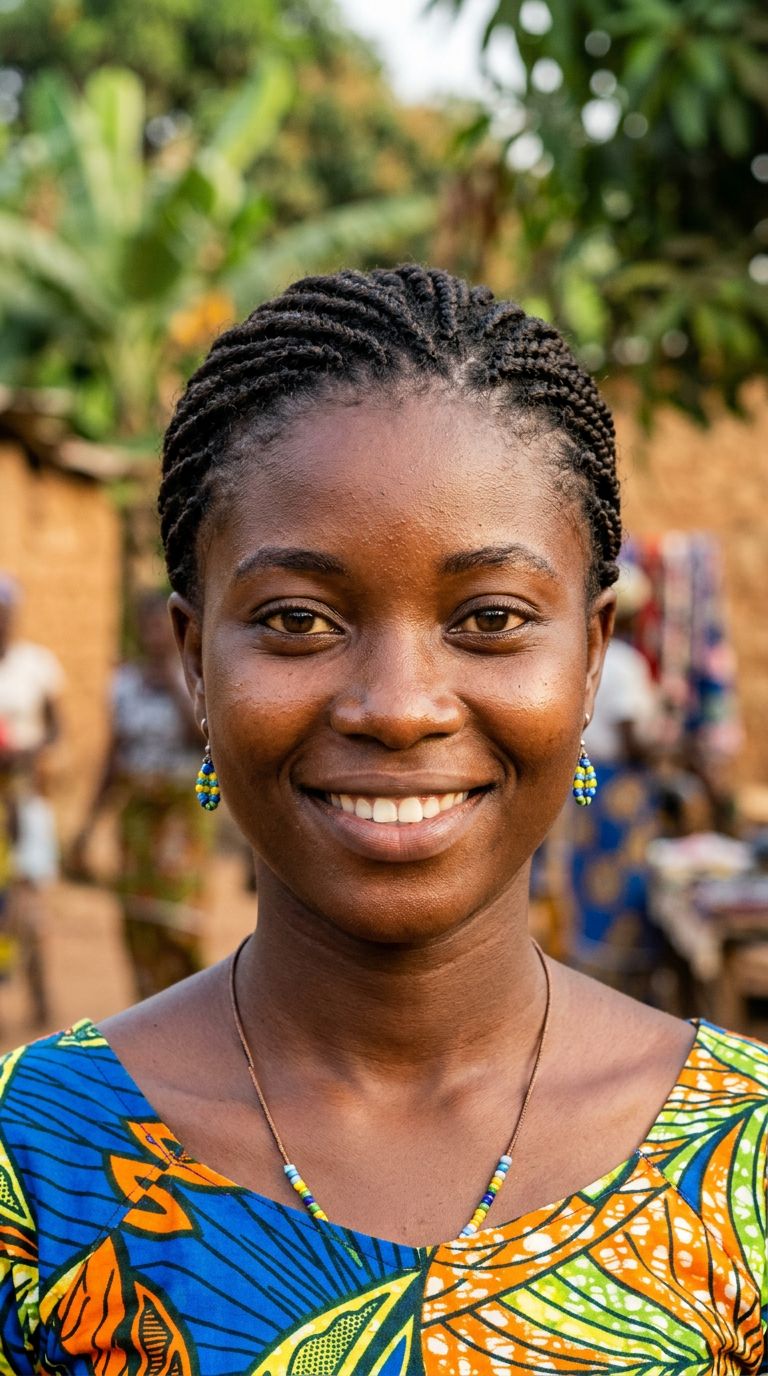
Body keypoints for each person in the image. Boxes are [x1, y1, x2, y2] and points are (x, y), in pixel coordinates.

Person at [0, 267, 766, 1375]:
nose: (400, 706)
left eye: (491, 617)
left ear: (593, 655)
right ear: (194, 659)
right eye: (298, 619)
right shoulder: (36, 1162)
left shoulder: (743, 1163)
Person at [72, 589, 209, 998]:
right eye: (145, 626)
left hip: (180, 813)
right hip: (136, 814)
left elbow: (200, 736)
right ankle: (149, 1008)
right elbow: (113, 756)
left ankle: (193, 1005)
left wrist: (171, 681)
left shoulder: (195, 679)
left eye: (159, 627)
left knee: (179, 920)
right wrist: (89, 825)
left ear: (176, 630)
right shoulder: (124, 684)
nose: (152, 635)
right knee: (137, 918)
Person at [569, 561, 661, 991]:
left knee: (589, 870)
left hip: (592, 777)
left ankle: (590, 960)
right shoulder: (627, 665)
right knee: (625, 874)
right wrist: (666, 748)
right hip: (622, 786)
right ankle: (627, 971)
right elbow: (631, 740)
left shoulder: (586, 660)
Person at [0, 574, 63, 1023]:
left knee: (31, 905)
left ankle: (41, 1002)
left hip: (25, 795)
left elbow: (57, 728)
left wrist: (32, 751)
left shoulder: (36, 666)